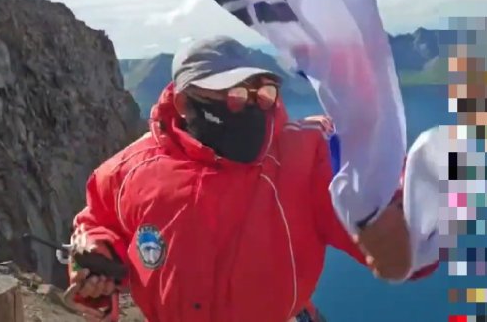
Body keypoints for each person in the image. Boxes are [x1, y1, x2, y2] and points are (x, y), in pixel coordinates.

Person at [66, 36, 438, 322]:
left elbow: (364, 194)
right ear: (184, 104)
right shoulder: (128, 170)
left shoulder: (304, 157)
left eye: (262, 94)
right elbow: (97, 222)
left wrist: (413, 216)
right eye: (233, 95)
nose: (250, 105)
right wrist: (96, 262)